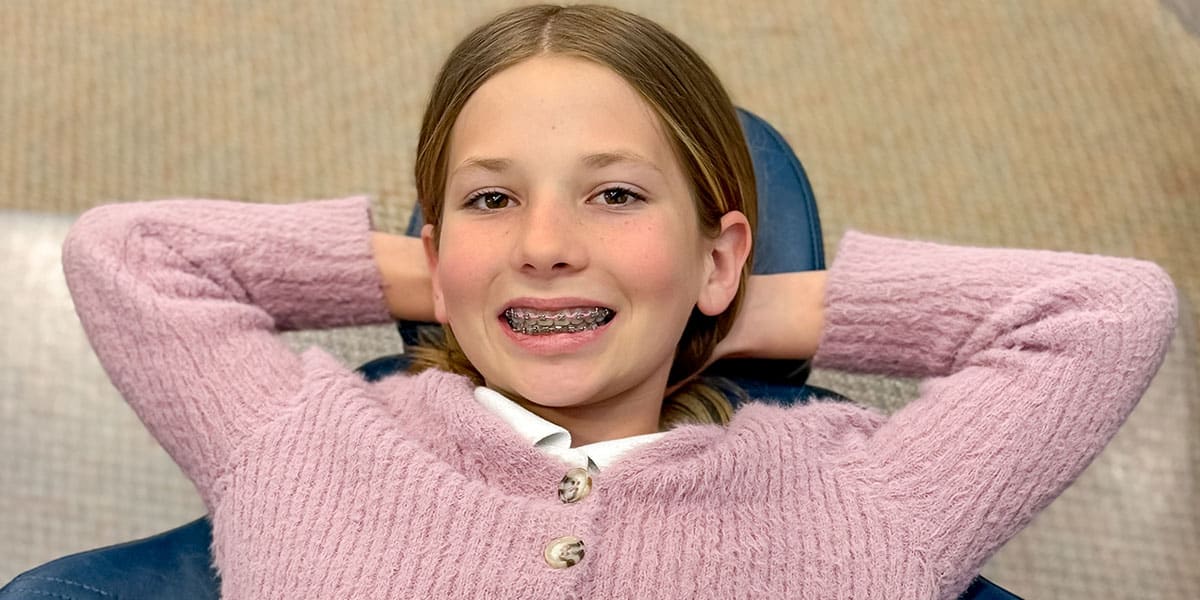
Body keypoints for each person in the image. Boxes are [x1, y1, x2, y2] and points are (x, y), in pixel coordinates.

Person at [46, 4, 1175, 599]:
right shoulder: (300, 445)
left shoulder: (869, 494)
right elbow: (128, 255)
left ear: (720, 252)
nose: (544, 246)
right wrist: (447, 281)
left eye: (616, 195)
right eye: (493, 200)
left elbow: (1103, 312)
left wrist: (719, 306)